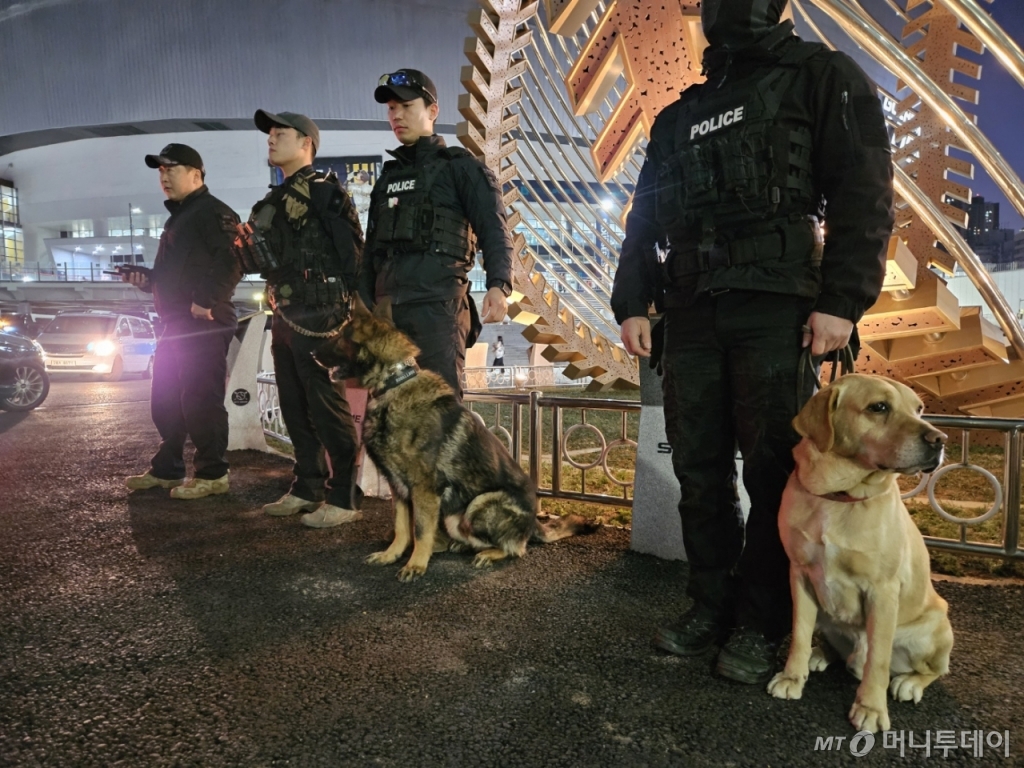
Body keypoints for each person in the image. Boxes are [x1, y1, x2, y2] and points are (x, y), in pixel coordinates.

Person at [611, 0, 893, 685]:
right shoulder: (681, 113)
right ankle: (711, 604)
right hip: (690, 310)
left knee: (772, 474)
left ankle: (764, 621)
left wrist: (842, 301)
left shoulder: (821, 75)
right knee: (699, 472)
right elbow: (645, 216)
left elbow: (863, 191)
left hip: (777, 306)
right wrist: (632, 301)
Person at [359, 69, 514, 400]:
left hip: (437, 309)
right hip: (387, 314)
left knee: (438, 413)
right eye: (391, 108)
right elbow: (371, 252)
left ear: (432, 111)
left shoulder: (460, 167)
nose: (396, 115)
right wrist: (362, 310)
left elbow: (493, 228)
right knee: (389, 410)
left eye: (406, 106)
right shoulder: (386, 179)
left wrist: (499, 284)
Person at [247, 110, 365, 528]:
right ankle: (307, 487)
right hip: (285, 313)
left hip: (323, 315)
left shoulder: (325, 193)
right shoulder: (270, 202)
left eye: (281, 133)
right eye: (269, 134)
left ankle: (345, 496)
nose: (271, 139)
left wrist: (353, 311)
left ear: (306, 144)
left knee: (326, 406)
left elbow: (353, 254)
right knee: (293, 405)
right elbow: (260, 261)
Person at [124, 143, 243, 499]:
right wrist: (147, 280)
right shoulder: (180, 216)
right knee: (166, 397)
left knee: (201, 398)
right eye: (160, 171)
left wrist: (206, 300)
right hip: (176, 324)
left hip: (203, 322)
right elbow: (174, 274)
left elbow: (233, 258)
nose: (163, 177)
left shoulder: (213, 212)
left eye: (170, 169)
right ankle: (168, 469)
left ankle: (213, 473)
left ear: (195, 174)